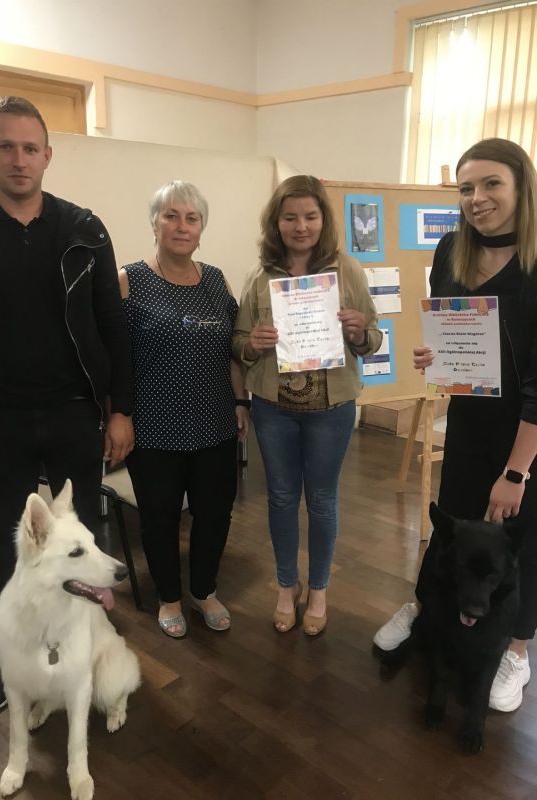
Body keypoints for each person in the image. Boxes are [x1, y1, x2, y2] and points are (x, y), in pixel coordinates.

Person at [0, 96, 134, 713]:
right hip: (1, 420)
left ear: (48, 155)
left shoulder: (84, 230)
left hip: (76, 413)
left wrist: (120, 410)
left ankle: (82, 647)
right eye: (6, 147)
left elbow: (113, 326)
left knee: (84, 538)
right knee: (11, 546)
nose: (18, 160)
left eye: (30, 148)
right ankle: (12, 663)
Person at [374, 138, 537, 713]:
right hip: (469, 417)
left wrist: (516, 473)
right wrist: (436, 356)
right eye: (466, 188)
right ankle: (428, 607)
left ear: (521, 187)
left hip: (528, 434)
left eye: (491, 184)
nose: (476, 198)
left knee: (522, 539)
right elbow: (452, 325)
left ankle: (517, 648)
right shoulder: (451, 249)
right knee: (455, 523)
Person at [233, 175, 382, 636]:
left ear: (324, 220)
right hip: (273, 406)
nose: (301, 227)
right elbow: (238, 341)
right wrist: (252, 344)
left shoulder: (348, 271)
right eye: (290, 217)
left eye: (310, 216)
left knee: (321, 499)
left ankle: (318, 589)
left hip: (332, 406)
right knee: (280, 498)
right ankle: (286, 585)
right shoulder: (259, 276)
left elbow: (373, 338)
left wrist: (359, 332)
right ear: (275, 222)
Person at [119, 180, 249, 639]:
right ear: (154, 223)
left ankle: (203, 590)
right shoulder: (128, 280)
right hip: (153, 427)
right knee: (160, 519)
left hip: (215, 421)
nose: (181, 226)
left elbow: (233, 349)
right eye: (171, 216)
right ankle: (169, 597)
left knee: (215, 514)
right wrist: (118, 415)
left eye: (191, 218)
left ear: (201, 228)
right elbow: (114, 357)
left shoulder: (215, 279)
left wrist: (240, 401)